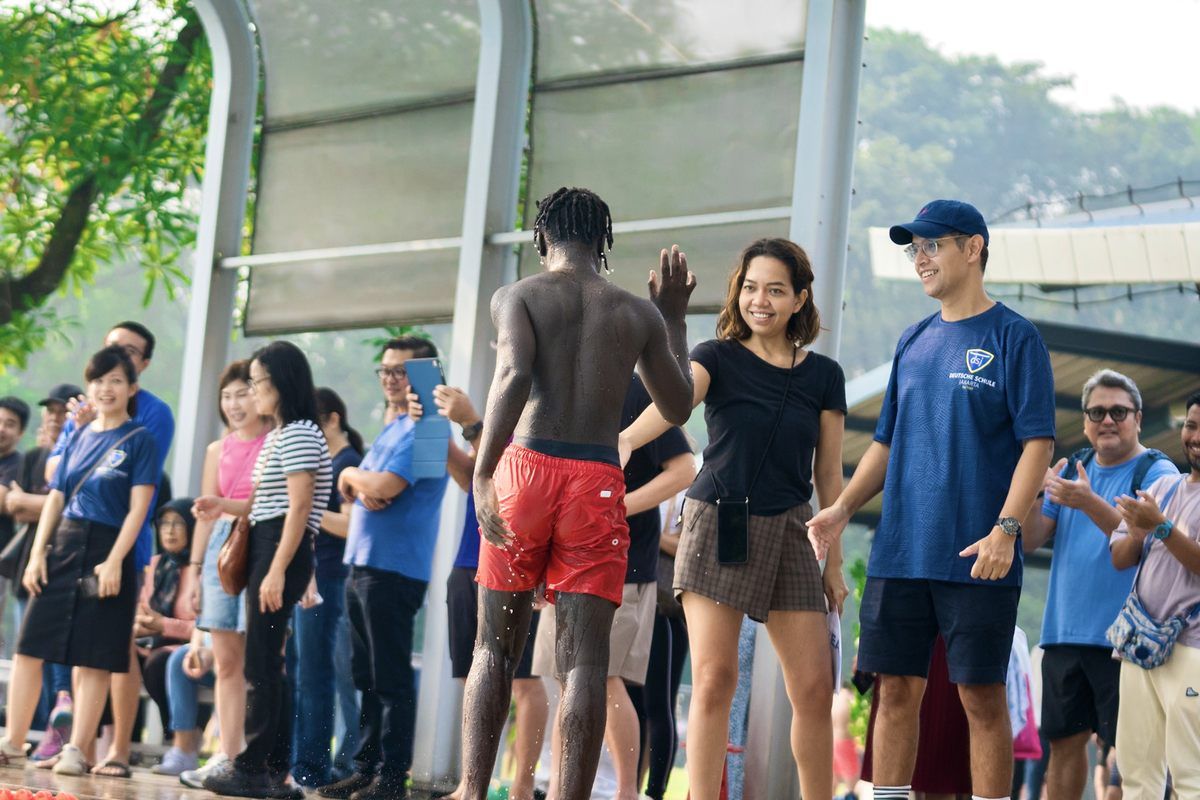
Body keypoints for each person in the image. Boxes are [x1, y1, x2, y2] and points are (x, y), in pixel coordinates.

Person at [807, 199, 1056, 800]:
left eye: (932, 245)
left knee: (981, 698)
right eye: (913, 249)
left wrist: (1006, 531)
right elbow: (886, 443)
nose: (920, 258)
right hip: (899, 554)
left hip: (978, 555)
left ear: (972, 249)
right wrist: (841, 510)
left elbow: (1038, 444)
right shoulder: (913, 339)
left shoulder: (1015, 337)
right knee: (894, 691)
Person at [462, 187, 695, 800]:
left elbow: (513, 373)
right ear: (602, 242)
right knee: (586, 665)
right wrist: (673, 316)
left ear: (542, 237)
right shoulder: (637, 314)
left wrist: (484, 473)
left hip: (526, 471)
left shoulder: (517, 295)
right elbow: (677, 406)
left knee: (493, 648)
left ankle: (472, 790)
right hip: (595, 480)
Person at [621, 237, 848, 799]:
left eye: (775, 290)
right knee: (714, 680)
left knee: (814, 689)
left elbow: (829, 476)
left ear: (799, 299)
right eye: (750, 288)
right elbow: (675, 405)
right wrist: (624, 440)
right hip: (718, 520)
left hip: (794, 528)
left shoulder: (824, 375)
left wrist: (834, 564)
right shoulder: (715, 356)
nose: (760, 301)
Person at [0, 345, 161, 776]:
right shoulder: (78, 434)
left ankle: (76, 748)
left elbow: (138, 510)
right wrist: (37, 554)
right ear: (89, 387)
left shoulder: (140, 440)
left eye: (116, 381)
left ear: (132, 388)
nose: (106, 389)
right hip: (64, 544)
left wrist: (115, 561)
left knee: (95, 655)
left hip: (109, 548)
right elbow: (56, 497)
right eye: (98, 381)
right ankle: (13, 741)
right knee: (30, 646)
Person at [532, 375, 694, 800]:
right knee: (567, 682)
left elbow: (683, 470)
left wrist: (616, 505)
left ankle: (626, 792)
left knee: (604, 680)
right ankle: (560, 789)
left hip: (624, 565)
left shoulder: (638, 391)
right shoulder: (558, 389)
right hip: (565, 562)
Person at [1021, 369, 1178, 800]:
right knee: (1063, 746)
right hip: (1063, 634)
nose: (1107, 420)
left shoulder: (1157, 471)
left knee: (1134, 754)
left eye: (1118, 412)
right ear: (1086, 420)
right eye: (1096, 412)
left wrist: (1089, 502)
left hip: (1127, 640)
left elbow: (1148, 546)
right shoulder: (1075, 469)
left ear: (1138, 418)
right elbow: (1031, 540)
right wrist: (1033, 490)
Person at [316, 337, 451, 800]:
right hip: (362, 564)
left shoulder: (431, 429)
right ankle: (365, 767)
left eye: (402, 371)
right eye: (386, 370)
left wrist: (351, 477)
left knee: (390, 677)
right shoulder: (395, 426)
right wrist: (361, 483)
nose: (391, 379)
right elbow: (367, 489)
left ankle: (392, 777)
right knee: (367, 676)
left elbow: (386, 486)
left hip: (394, 569)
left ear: (426, 375)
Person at [200, 341, 332, 800]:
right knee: (263, 658)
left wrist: (277, 570)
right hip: (265, 541)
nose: (253, 393)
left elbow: (299, 509)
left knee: (262, 660)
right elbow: (264, 504)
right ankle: (269, 767)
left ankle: (255, 767)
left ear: (281, 384)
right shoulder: (280, 435)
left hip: (280, 548)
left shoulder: (298, 434)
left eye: (257, 384)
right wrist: (221, 504)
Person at [46, 320, 176, 778]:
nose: (118, 357)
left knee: (117, 646)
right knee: (83, 646)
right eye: (111, 348)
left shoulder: (154, 413)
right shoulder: (87, 411)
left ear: (143, 365)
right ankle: (79, 746)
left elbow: (131, 480)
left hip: (125, 543)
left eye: (130, 352)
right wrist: (79, 428)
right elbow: (55, 475)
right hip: (77, 542)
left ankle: (119, 749)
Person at [411, 381, 549, 800]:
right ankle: (473, 785)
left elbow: (512, 475)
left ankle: (523, 787)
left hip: (516, 562)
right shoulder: (497, 414)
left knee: (522, 682)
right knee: (474, 677)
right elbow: (470, 479)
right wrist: (433, 427)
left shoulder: (540, 417)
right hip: (468, 560)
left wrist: (471, 423)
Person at [180, 359, 270, 789]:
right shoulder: (217, 449)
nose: (234, 404)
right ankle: (228, 755)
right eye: (227, 396)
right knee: (226, 660)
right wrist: (194, 571)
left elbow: (270, 504)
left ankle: (262, 758)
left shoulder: (275, 441)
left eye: (242, 394)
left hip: (262, 543)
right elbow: (205, 513)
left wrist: (223, 507)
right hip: (220, 548)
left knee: (263, 661)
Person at [1108, 390, 1200, 800]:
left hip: (1192, 648)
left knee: (1191, 775)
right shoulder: (1162, 486)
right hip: (1140, 644)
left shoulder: (1159, 502)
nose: (1195, 437)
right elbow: (1120, 558)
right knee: (1137, 776)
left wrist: (1161, 526)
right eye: (1191, 426)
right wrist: (1138, 532)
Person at [290, 387, 364, 787]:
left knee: (318, 674)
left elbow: (351, 525)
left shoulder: (347, 462)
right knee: (307, 672)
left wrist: (304, 510)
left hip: (330, 577)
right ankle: (306, 761)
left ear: (332, 420)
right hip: (312, 576)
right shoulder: (328, 462)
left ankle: (314, 765)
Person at [3, 383, 80, 762]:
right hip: (27, 566)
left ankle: (57, 729)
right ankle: (34, 732)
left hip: (64, 562)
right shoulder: (34, 456)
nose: (54, 417)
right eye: (50, 411)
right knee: (27, 651)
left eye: (62, 411)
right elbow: (14, 509)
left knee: (55, 653)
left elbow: (66, 507)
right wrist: (34, 503)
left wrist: (26, 500)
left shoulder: (80, 454)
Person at [137, 498, 201, 774]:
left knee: (159, 664)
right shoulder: (155, 564)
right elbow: (143, 607)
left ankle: (180, 742)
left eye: (178, 524)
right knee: (110, 654)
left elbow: (204, 626)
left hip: (190, 646)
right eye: (164, 524)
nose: (170, 530)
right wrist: (142, 625)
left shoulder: (199, 569)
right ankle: (106, 745)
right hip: (152, 641)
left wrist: (164, 625)